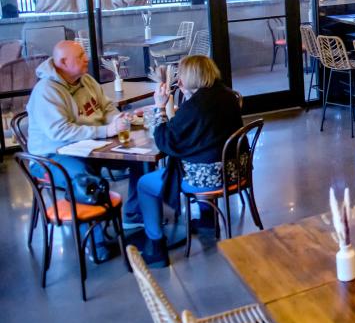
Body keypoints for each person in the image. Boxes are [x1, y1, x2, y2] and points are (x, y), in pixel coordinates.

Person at [25, 40, 141, 260]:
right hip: (53, 157)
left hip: (90, 146)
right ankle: (96, 244)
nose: (86, 58)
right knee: (84, 179)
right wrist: (106, 131)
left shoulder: (86, 80)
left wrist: (118, 119)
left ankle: (134, 214)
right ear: (63, 62)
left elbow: (106, 107)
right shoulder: (46, 91)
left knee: (139, 157)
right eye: (80, 56)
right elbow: (59, 132)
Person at [136, 55, 243, 267]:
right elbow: (201, 132)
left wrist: (159, 108)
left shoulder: (195, 107)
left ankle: (156, 248)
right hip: (234, 169)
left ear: (191, 78)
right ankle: (207, 221)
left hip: (208, 177)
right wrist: (187, 96)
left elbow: (166, 141)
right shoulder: (228, 95)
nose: (179, 81)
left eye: (181, 77)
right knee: (202, 154)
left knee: (145, 184)